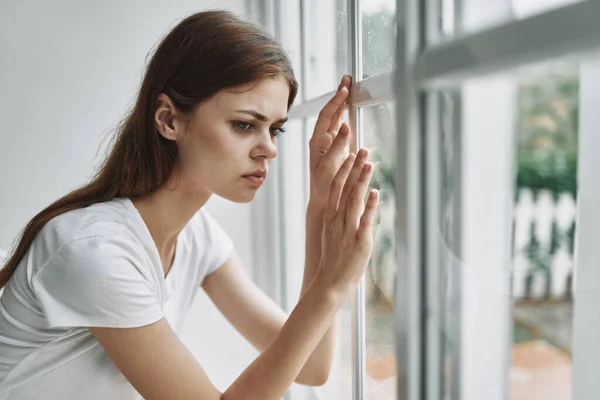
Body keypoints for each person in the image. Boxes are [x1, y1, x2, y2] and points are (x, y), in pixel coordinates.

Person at [0, 10, 378, 400]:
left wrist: (320, 206)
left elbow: (312, 366)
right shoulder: (95, 251)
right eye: (245, 124)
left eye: (275, 129)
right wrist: (331, 286)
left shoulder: (198, 238)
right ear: (168, 120)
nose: (269, 149)